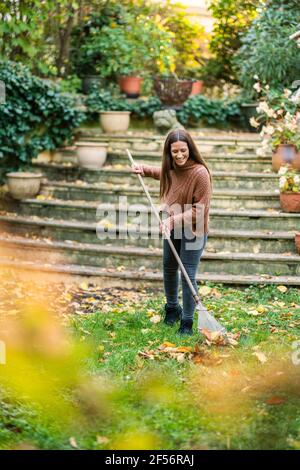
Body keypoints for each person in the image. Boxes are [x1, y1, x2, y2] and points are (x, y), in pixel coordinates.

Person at [132, 129, 212, 335]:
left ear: (190, 149)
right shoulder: (173, 168)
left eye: (183, 151)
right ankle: (172, 309)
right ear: (169, 152)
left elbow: (200, 210)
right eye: (174, 152)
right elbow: (165, 174)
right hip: (173, 226)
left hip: (194, 230)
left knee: (187, 274)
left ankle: (186, 322)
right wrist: (144, 169)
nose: (179, 156)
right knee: (168, 266)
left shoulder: (200, 173)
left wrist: (173, 219)